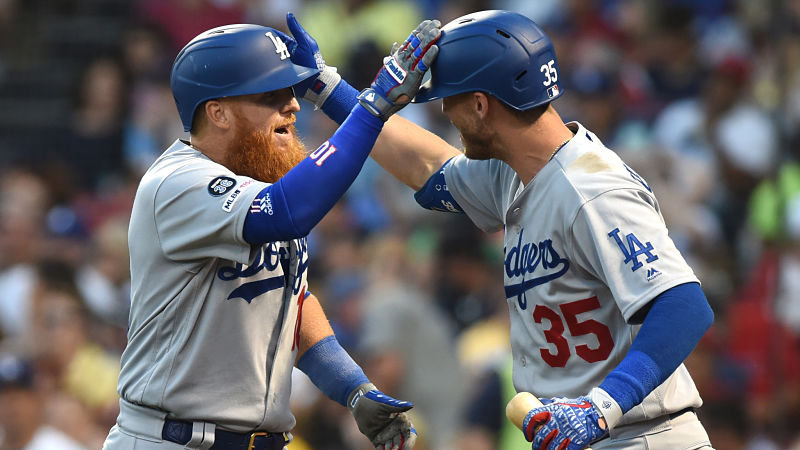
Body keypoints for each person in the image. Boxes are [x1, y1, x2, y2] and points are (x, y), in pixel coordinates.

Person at [287, 10, 715, 450]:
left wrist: (603, 406)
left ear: (480, 104)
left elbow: (684, 305)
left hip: (643, 435)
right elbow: (427, 166)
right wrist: (328, 88)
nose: (445, 111)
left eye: (449, 98)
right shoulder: (517, 172)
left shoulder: (591, 188)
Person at [102, 20, 440, 450]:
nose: (293, 105)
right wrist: (371, 106)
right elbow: (288, 210)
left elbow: (292, 301)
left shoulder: (258, 181)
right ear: (218, 113)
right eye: (270, 96)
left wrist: (353, 388)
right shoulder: (176, 182)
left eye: (291, 91)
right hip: (170, 439)